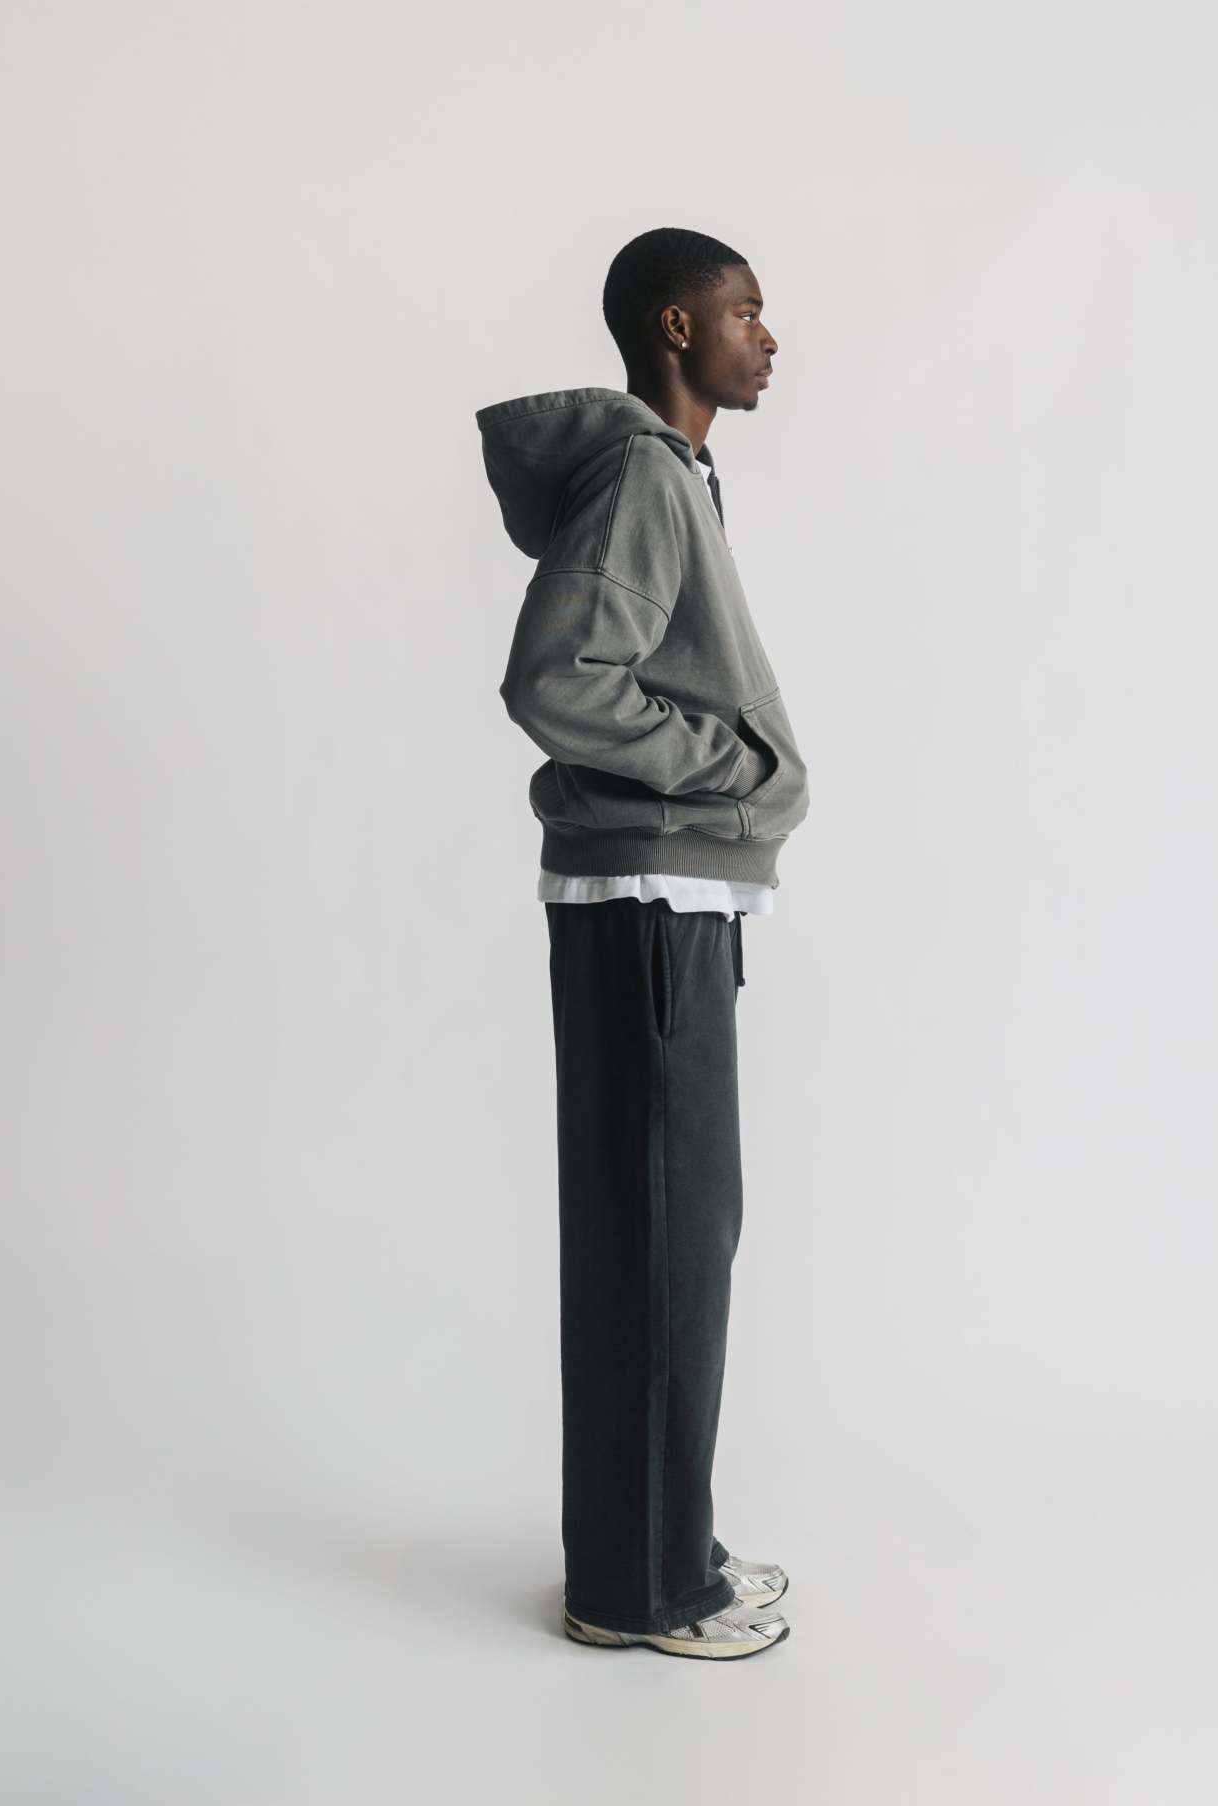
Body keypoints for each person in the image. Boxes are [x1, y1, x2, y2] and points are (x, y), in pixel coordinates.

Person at [475, 227, 810, 1659]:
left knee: (667, 1231)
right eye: (746, 311)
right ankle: (643, 1588)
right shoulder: (642, 475)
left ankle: (658, 1546)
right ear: (676, 326)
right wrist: (726, 768)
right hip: (647, 900)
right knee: (664, 1239)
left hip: (663, 899)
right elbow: (557, 677)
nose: (767, 336)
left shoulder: (669, 476)